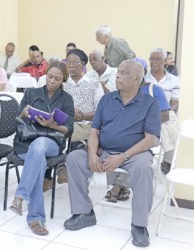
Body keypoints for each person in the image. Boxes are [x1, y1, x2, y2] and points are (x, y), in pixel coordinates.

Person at [64, 60, 161, 248]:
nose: (117, 75)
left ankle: (139, 225)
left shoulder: (150, 104)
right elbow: (94, 131)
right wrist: (92, 154)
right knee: (74, 158)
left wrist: (122, 157)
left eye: (123, 73)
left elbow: (151, 139)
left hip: (134, 154)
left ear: (136, 78)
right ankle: (84, 213)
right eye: (118, 72)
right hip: (104, 150)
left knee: (143, 169)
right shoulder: (107, 100)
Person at [9, 61, 74, 236]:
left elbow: (69, 130)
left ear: (63, 80)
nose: (52, 81)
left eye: (57, 79)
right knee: (37, 160)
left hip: (52, 143)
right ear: (45, 74)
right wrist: (25, 112)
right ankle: (35, 218)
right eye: (50, 76)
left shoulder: (67, 99)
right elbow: (17, 118)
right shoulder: (31, 93)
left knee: (39, 146)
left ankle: (20, 195)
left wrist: (53, 124)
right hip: (26, 142)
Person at [104, 57, 171, 203]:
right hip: (127, 132)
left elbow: (165, 114)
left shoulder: (154, 90)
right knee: (117, 140)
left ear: (140, 75)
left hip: (148, 132)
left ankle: (118, 186)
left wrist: (141, 122)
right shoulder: (122, 91)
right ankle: (120, 187)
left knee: (135, 145)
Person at [49, 49, 103, 188]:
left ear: (83, 64)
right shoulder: (62, 84)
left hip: (86, 125)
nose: (71, 65)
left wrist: (83, 115)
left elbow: (101, 112)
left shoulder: (94, 84)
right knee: (48, 130)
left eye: (75, 62)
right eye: (68, 62)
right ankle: (55, 170)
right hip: (62, 122)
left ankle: (61, 167)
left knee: (59, 133)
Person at [145, 48, 180, 174]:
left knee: (169, 123)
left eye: (157, 59)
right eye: (151, 58)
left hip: (165, 114)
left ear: (165, 61)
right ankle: (168, 161)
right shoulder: (144, 79)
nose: (153, 62)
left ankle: (168, 160)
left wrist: (164, 112)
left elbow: (175, 104)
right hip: (146, 116)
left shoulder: (174, 80)